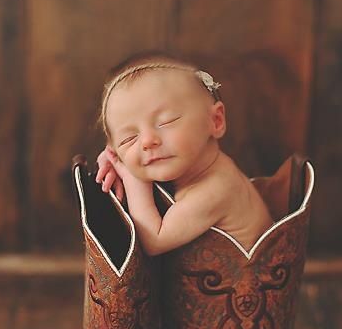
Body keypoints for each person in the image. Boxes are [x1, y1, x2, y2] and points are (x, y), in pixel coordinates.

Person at [94, 55, 275, 255]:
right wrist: (114, 159)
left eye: (166, 122)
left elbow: (155, 240)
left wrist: (133, 178)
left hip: (247, 283)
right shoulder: (189, 169)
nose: (147, 142)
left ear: (215, 121)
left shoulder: (217, 188)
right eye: (128, 139)